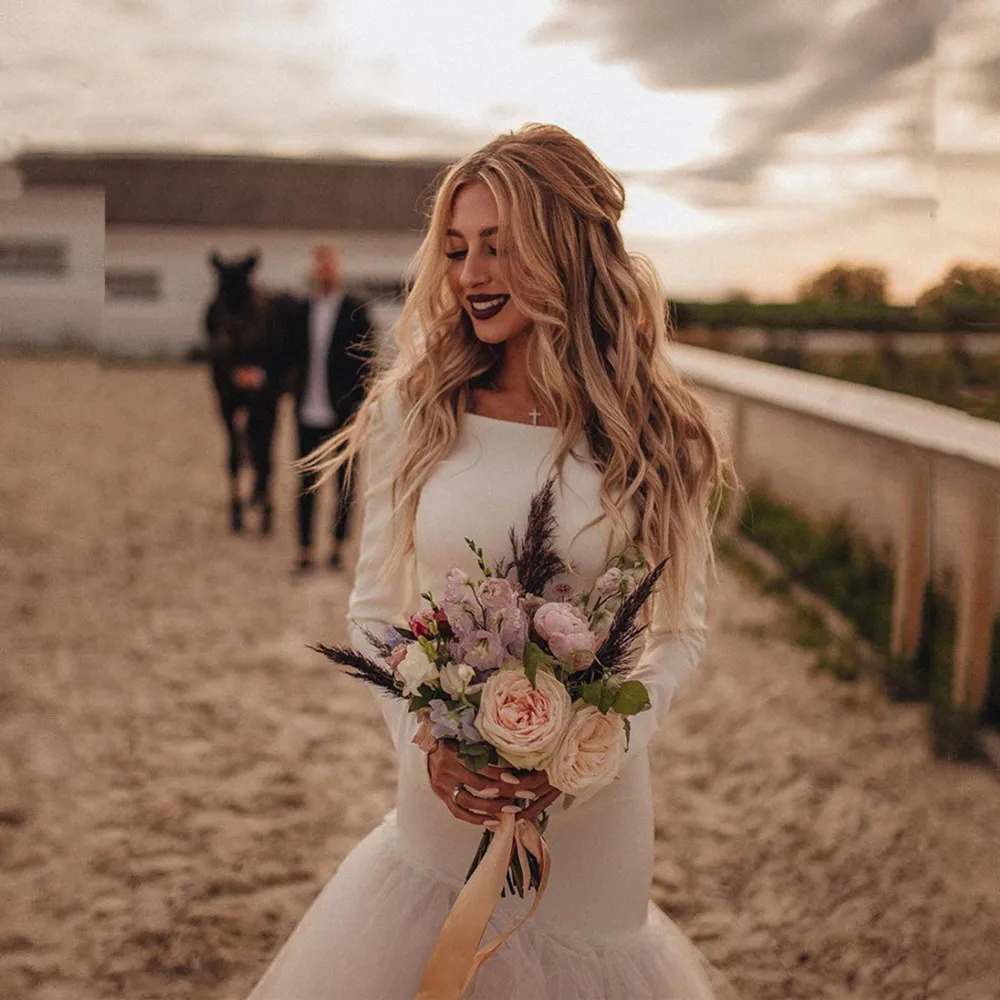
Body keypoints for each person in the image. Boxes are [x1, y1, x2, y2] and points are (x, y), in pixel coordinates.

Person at [247, 124, 730, 999]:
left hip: (598, 817)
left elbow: (679, 636)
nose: (470, 274)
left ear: (567, 248)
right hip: (442, 803)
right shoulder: (416, 412)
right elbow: (371, 614)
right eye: (459, 248)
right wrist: (426, 741)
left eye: (498, 247)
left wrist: (596, 745)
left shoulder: (664, 434)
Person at [285, 244, 375, 572]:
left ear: (339, 270)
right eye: (319, 267)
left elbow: (368, 359)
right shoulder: (301, 310)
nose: (324, 272)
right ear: (313, 270)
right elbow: (289, 355)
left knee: (344, 484)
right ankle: (305, 549)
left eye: (329, 267)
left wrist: (360, 405)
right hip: (307, 409)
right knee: (306, 483)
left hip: (345, 413)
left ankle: (338, 546)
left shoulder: (355, 309)